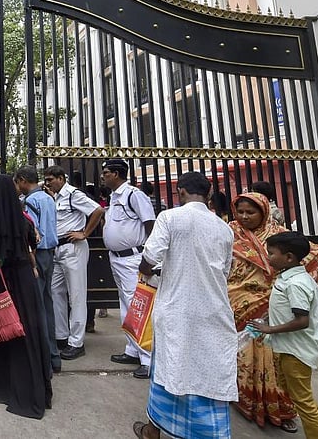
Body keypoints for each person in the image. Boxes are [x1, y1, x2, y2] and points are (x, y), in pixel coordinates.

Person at [132, 171, 237, 439]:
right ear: (209, 195)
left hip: (175, 308)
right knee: (207, 372)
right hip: (213, 309)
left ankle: (153, 431)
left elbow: (150, 256)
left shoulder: (169, 217)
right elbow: (225, 271)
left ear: (179, 192)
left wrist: (147, 271)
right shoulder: (224, 228)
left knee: (168, 367)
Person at [228, 192, 318, 433]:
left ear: (264, 212)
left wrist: (293, 286)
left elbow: (313, 257)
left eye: (251, 212)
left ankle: (283, 412)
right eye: (240, 211)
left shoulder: (278, 235)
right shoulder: (230, 232)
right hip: (242, 304)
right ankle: (247, 403)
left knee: (279, 368)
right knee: (246, 359)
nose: (244, 216)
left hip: (276, 309)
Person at [0, 174, 53, 418]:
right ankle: (29, 385)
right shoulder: (23, 220)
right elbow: (32, 246)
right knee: (26, 330)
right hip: (24, 282)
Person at [248, 232, 318, 439]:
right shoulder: (289, 278)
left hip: (296, 352)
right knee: (301, 397)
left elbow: (302, 320)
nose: (268, 257)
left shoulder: (296, 284)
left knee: (304, 403)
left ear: (289, 257)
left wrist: (269, 329)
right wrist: (269, 316)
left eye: (271, 253)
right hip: (289, 348)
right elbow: (289, 309)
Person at [100, 159, 156, 379]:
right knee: (126, 305)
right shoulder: (114, 197)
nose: (103, 176)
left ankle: (147, 358)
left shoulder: (134, 195)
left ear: (116, 174)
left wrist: (149, 257)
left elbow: (150, 224)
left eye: (106, 172)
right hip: (117, 259)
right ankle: (132, 350)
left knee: (138, 306)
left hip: (133, 259)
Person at [42, 165, 105, 360]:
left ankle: (76, 342)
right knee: (56, 292)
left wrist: (84, 233)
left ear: (61, 178)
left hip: (73, 248)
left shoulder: (72, 194)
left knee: (76, 295)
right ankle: (61, 336)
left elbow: (98, 210)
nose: (48, 182)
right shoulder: (54, 196)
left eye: (50, 179)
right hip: (58, 249)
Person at [14, 166, 61, 373]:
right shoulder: (48, 198)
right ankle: (54, 355)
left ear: (23, 180)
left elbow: (35, 234)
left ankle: (44, 357)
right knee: (47, 302)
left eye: (17, 182)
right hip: (50, 252)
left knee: (38, 305)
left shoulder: (31, 201)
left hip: (38, 253)